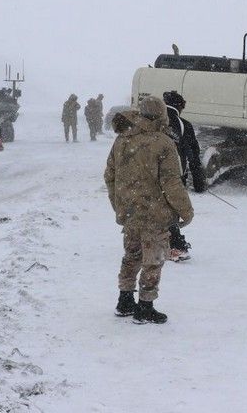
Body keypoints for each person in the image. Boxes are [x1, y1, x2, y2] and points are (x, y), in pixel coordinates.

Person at [105, 97, 194, 324]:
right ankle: (145, 306)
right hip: (155, 214)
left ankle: (125, 300)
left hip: (130, 213)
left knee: (131, 256)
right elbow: (171, 183)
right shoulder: (163, 143)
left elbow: (110, 176)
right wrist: (186, 211)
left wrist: (119, 204)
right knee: (153, 260)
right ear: (162, 115)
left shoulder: (122, 139)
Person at [162, 90, 206, 262]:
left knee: (150, 208)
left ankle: (146, 244)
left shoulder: (150, 121)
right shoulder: (183, 125)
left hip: (147, 174)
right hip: (174, 175)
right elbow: (193, 156)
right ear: (179, 106)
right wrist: (198, 182)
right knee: (171, 210)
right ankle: (176, 246)